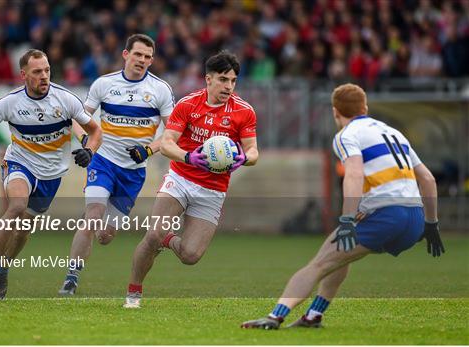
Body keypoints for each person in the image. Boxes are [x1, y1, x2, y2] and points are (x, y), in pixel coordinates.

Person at [241, 83, 444, 330]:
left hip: (387, 215)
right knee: (340, 257)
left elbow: (355, 174)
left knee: (319, 264)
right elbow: (427, 179)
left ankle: (274, 317)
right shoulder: (394, 133)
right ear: (365, 107)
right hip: (414, 219)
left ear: (335, 112)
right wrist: (431, 223)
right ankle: (313, 316)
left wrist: (347, 219)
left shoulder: (347, 135)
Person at [124, 51, 259, 308]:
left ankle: (166, 238)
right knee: (152, 236)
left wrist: (242, 158)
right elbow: (166, 144)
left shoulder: (244, 112)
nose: (228, 86)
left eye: (233, 81)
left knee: (190, 255)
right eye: (223, 80)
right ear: (208, 79)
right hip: (180, 178)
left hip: (213, 189)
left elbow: (253, 152)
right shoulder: (188, 104)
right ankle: (133, 293)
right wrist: (189, 158)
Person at [0, 49, 102, 299]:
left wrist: (89, 152)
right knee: (17, 206)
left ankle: (4, 267)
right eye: (37, 71)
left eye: (47, 70)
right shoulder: (10, 102)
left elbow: (95, 132)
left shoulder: (66, 99)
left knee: (23, 230)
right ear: (23, 74)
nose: (44, 76)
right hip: (20, 163)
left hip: (51, 175)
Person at [58, 34, 175, 295]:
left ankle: (93, 220)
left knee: (105, 236)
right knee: (93, 216)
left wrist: (148, 150)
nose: (142, 60)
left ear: (152, 60)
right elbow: (78, 118)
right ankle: (71, 278)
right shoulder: (104, 84)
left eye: (147, 57)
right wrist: (87, 144)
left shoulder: (160, 90)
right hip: (103, 161)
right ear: (125, 54)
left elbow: (172, 134)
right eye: (137, 54)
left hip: (133, 174)